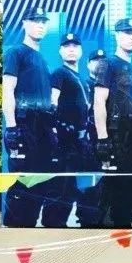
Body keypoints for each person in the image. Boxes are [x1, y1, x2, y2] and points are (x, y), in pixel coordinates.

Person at [1, 7, 56, 226]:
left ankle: (28, 230)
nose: (40, 25)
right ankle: (13, 230)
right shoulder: (16, 53)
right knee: (22, 182)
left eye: (43, 21)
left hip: (42, 128)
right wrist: (12, 127)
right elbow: (7, 90)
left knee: (39, 183)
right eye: (35, 21)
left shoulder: (42, 59)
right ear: (24, 23)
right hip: (23, 126)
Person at [94, 17, 132, 227]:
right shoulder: (108, 64)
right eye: (127, 33)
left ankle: (123, 236)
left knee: (130, 199)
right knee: (114, 199)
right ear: (117, 35)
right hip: (117, 140)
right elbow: (99, 101)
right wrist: (103, 140)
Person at [44, 32, 91, 227]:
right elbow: (52, 102)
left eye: (75, 46)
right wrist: (56, 132)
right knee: (60, 189)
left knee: (72, 189)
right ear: (60, 51)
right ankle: (52, 227)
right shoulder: (59, 73)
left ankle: (61, 226)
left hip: (79, 143)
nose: (71, 49)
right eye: (67, 46)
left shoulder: (81, 79)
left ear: (81, 50)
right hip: (64, 142)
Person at [75, 48, 107, 227]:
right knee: (88, 190)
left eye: (103, 61)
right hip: (87, 146)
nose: (99, 64)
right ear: (88, 64)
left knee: (107, 188)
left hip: (108, 144)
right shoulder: (83, 85)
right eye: (95, 60)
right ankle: (86, 223)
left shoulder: (111, 88)